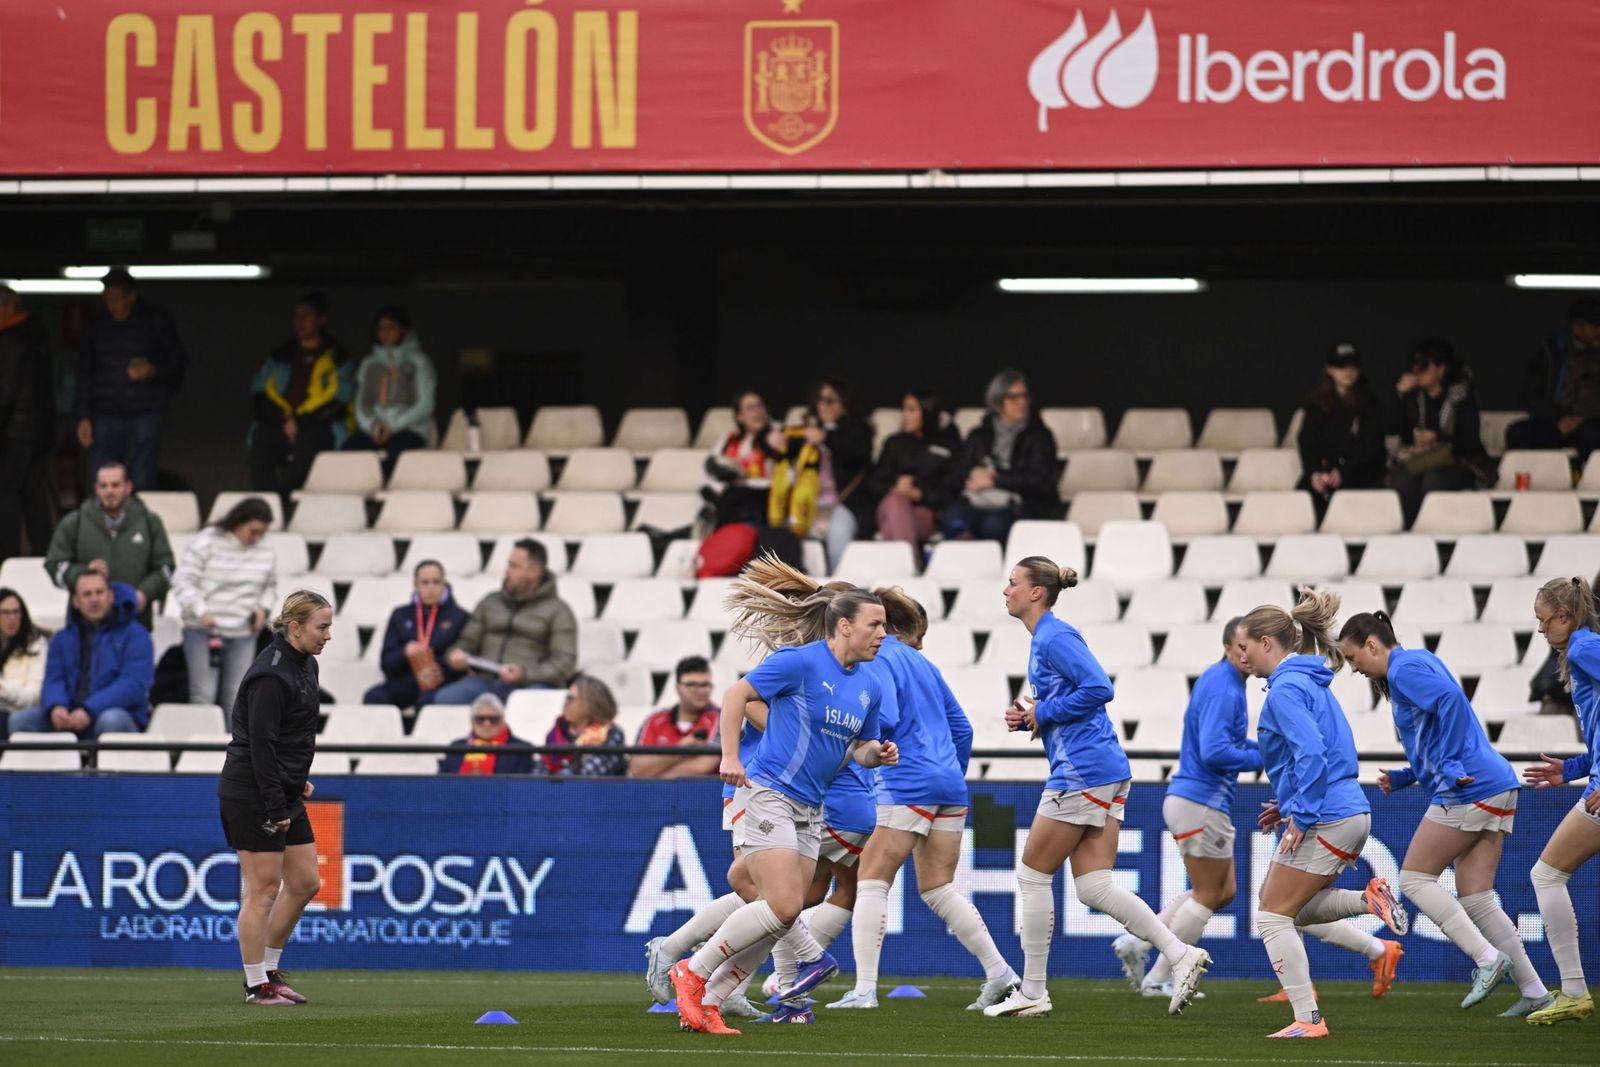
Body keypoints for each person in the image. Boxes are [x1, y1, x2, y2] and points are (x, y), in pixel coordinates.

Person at [983, 556, 1208, 1020]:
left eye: (1013, 583)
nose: (1006, 591)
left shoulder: (1053, 635)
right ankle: (1180, 954)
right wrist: (1033, 713)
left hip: (1082, 771)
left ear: (1036, 592)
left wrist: (1042, 713)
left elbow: (1099, 687)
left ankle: (1034, 990)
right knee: (1093, 885)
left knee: (1032, 875)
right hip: (1102, 767)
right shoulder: (1048, 636)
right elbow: (1078, 695)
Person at [670, 583, 898, 1036]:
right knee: (784, 904)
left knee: (785, 908)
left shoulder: (869, 683)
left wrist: (878, 754)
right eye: (875, 625)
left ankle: (711, 999)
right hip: (769, 793)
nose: (882, 635)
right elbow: (737, 695)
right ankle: (692, 972)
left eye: (884, 627)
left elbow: (860, 748)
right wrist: (730, 757)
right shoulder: (801, 661)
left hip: (812, 808)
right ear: (845, 626)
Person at [1340, 610, 1552, 1016]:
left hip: (1469, 788)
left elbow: (1452, 701)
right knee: (1478, 898)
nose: (1354, 669)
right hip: (1496, 783)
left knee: (1415, 879)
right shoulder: (1416, 661)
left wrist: (1453, 763)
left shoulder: (1402, 671)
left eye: (1354, 659)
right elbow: (1434, 731)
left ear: (1371, 645)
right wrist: (1406, 776)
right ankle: (1535, 991)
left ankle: (1488, 961)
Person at [827, 589, 1021, 1012]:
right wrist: (947, 773)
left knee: (871, 880)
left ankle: (863, 990)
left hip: (907, 780)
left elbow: (888, 718)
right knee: (937, 887)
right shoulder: (924, 663)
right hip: (949, 784)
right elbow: (963, 728)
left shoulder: (880, 660)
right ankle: (1000, 973)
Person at [1236, 588, 1409, 1039]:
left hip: (1328, 813)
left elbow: (1312, 754)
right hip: (1347, 808)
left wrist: (1303, 814)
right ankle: (1367, 900)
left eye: (1245, 646)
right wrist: (1290, 803)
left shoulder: (1284, 692)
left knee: (1272, 916)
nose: (1242, 656)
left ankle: (1308, 1020)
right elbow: (1318, 754)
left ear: (1267, 644)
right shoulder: (1306, 682)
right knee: (1291, 913)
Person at [1112, 618, 1279, 999]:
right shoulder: (1226, 689)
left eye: (1248, 646)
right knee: (1208, 892)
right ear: (1227, 648)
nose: (1245, 654)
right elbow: (1215, 751)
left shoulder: (1219, 681)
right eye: (1239, 646)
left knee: (1223, 890)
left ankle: (1139, 943)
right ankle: (1158, 977)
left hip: (1192, 800)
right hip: (1201, 801)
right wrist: (1266, 755)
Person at [216, 589, 333, 1007]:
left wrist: (295, 780)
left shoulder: (307, 665)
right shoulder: (271, 674)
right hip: (253, 791)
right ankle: (255, 985)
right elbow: (260, 746)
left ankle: (269, 970)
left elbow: (290, 735)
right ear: (295, 627)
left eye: (329, 626)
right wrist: (274, 803)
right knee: (263, 889)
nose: (328, 635)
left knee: (305, 882)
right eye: (322, 627)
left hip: (280, 787)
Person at [1519, 576, 1600, 1025]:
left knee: (1547, 874)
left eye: (1544, 620)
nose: (1541, 630)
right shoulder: (1585, 651)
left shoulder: (1587, 648)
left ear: (1565, 618)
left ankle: (1573, 990)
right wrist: (1569, 769)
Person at [76, 268, 187, 493]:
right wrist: (83, 416)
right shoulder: (97, 325)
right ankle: (105, 526)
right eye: (107, 299)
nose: (111, 305)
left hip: (145, 411)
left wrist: (152, 370)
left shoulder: (154, 320)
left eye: (116, 299)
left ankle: (140, 525)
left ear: (131, 296)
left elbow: (178, 361)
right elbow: (85, 372)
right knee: (104, 478)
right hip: (105, 412)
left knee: (143, 477)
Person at [431, 539, 577, 707]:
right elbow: (467, 642)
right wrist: (455, 656)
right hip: (485, 681)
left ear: (534, 572)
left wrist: (524, 674)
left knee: (529, 706)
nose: (507, 571)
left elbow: (564, 663)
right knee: (444, 699)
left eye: (514, 566)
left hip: (530, 685)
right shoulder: (490, 602)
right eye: (508, 565)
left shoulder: (559, 611)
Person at [10, 571, 153, 737]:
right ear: (76, 602)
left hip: (119, 715)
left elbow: (133, 685)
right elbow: (54, 679)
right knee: (19, 721)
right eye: (87, 594)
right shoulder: (61, 638)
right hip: (71, 714)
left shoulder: (136, 634)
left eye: (99, 592)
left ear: (110, 596)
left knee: (111, 720)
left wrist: (89, 710)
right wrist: (56, 706)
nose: (94, 599)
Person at [170, 497, 277, 711]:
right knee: (203, 696)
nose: (257, 538)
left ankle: (235, 745)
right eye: (253, 531)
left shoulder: (265, 548)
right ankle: (201, 742)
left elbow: (270, 586)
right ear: (239, 521)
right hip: (204, 630)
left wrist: (263, 609)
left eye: (262, 533)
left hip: (243, 633)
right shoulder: (207, 541)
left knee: (237, 698)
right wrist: (201, 610)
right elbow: (182, 580)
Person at [248, 293, 355, 498]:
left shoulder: (339, 357)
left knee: (311, 440)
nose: (299, 321)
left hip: (319, 427)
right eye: (296, 316)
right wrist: (284, 420)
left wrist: (299, 422)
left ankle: (283, 499)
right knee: (261, 436)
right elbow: (259, 394)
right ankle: (266, 500)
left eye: (306, 316)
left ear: (321, 320)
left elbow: (340, 401)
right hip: (282, 423)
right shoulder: (280, 356)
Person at [44, 460, 175, 622]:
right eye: (104, 486)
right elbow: (54, 565)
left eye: (115, 485)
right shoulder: (74, 522)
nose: (109, 491)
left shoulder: (150, 522)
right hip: (85, 628)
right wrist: (82, 574)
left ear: (128, 487)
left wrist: (145, 593)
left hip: (135, 623)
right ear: (96, 488)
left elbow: (166, 568)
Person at [943, 369, 1059, 544]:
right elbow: (956, 472)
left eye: (1024, 396)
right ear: (998, 402)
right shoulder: (979, 435)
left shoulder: (1040, 436)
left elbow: (1039, 480)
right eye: (1014, 397)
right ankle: (967, 563)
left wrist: (995, 478)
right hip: (979, 499)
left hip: (1020, 503)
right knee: (954, 517)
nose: (1021, 402)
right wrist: (972, 473)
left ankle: (994, 566)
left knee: (994, 526)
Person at [1387, 340, 1494, 525]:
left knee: (1434, 481)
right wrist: (1399, 395)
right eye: (1414, 366)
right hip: (1421, 460)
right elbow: (1391, 428)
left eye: (1423, 366)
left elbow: (1469, 440)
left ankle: (1434, 530)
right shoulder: (1413, 397)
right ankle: (1410, 530)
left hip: (1459, 461)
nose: (1416, 372)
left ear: (1440, 369)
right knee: (1402, 481)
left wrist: (1438, 437)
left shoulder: (1461, 397)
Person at [364, 560, 470, 709]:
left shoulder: (460, 617)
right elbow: (386, 662)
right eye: (425, 582)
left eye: (436, 582)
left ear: (444, 584)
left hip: (441, 683)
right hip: (407, 680)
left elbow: (464, 660)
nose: (431, 587)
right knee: (374, 697)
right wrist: (405, 652)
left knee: (427, 702)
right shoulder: (400, 615)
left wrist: (442, 671)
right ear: (416, 585)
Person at [0, 285, 57, 560]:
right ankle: (41, 556)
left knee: (8, 496)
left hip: (15, 431)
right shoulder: (38, 333)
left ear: (8, 307)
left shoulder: (11, 339)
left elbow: (5, 390)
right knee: (34, 497)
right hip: (39, 431)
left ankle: (7, 558)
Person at [867, 388, 962, 553]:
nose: (904, 415)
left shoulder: (948, 445)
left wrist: (919, 494)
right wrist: (896, 487)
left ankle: (906, 568)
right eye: (904, 409)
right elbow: (875, 482)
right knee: (895, 501)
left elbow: (952, 489)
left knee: (893, 524)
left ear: (926, 412)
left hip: (926, 512)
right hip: (889, 506)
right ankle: (911, 568)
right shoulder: (894, 443)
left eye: (911, 410)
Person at [1506, 298, 1600, 465]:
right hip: (1556, 421)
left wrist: (1584, 418)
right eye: (1595, 327)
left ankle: (1587, 483)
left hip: (1592, 422)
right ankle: (1530, 482)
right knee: (1518, 432)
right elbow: (1530, 395)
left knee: (1591, 434)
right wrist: (1558, 418)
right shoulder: (1552, 352)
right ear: (1577, 328)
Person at [344, 306, 436, 466]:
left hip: (409, 429)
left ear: (404, 330)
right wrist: (373, 425)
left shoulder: (419, 361)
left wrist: (392, 426)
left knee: (393, 457)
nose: (385, 333)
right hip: (373, 430)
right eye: (381, 328)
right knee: (348, 452)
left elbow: (425, 404)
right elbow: (361, 404)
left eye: (391, 327)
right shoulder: (369, 364)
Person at [1297, 343, 1387, 507]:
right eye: (1341, 366)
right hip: (1326, 473)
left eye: (1352, 366)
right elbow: (1307, 441)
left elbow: (1371, 446)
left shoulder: (1370, 403)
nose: (1348, 371)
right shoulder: (1316, 404)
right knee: (1301, 499)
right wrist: (1314, 473)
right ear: (1329, 369)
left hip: (1361, 474)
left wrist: (1343, 472)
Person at [801, 380, 874, 571]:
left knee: (838, 529)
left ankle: (840, 590)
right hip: (808, 503)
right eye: (820, 400)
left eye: (830, 401)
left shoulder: (859, 430)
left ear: (844, 403)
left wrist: (826, 437)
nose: (823, 405)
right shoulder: (807, 431)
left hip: (843, 504)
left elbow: (856, 454)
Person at [703, 390, 785, 529]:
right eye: (750, 408)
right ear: (739, 416)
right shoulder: (729, 439)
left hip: (765, 501)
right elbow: (712, 469)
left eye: (760, 406)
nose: (757, 412)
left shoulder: (779, 434)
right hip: (734, 499)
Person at [630, 655, 721, 779]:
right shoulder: (654, 720)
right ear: (677, 688)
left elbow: (703, 766)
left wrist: (655, 771)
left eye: (705, 685)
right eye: (691, 685)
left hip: (702, 794)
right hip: (656, 796)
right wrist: (682, 748)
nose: (700, 691)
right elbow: (637, 768)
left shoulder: (721, 718)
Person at [542, 674, 626, 776]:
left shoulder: (611, 733)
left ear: (589, 704)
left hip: (594, 791)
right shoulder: (556, 733)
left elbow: (588, 774)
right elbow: (539, 771)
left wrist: (552, 781)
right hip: (552, 790)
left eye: (570, 698)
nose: (565, 703)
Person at [440, 693, 536, 775]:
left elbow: (522, 788)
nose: (487, 724)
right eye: (480, 719)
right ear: (472, 722)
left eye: (493, 719)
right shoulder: (457, 747)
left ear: (503, 722)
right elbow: (442, 784)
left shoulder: (521, 749)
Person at [0, 588, 48, 740]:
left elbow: (34, 696)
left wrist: (3, 689)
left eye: (16, 612)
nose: (12, 618)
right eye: (5, 613)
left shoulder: (36, 645)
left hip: (17, 714)